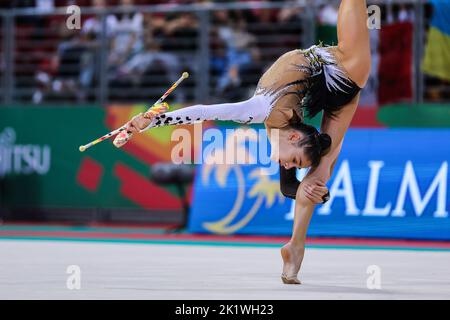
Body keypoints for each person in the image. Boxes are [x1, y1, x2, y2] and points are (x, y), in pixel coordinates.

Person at [122, 0, 371, 285]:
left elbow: (289, 186)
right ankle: (296, 247)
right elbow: (204, 112)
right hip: (348, 71)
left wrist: (306, 185)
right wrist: (151, 121)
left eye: (293, 164)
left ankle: (295, 249)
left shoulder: (283, 134)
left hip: (333, 88)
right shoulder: (262, 109)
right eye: (294, 161)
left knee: (319, 175)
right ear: (293, 136)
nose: (288, 165)